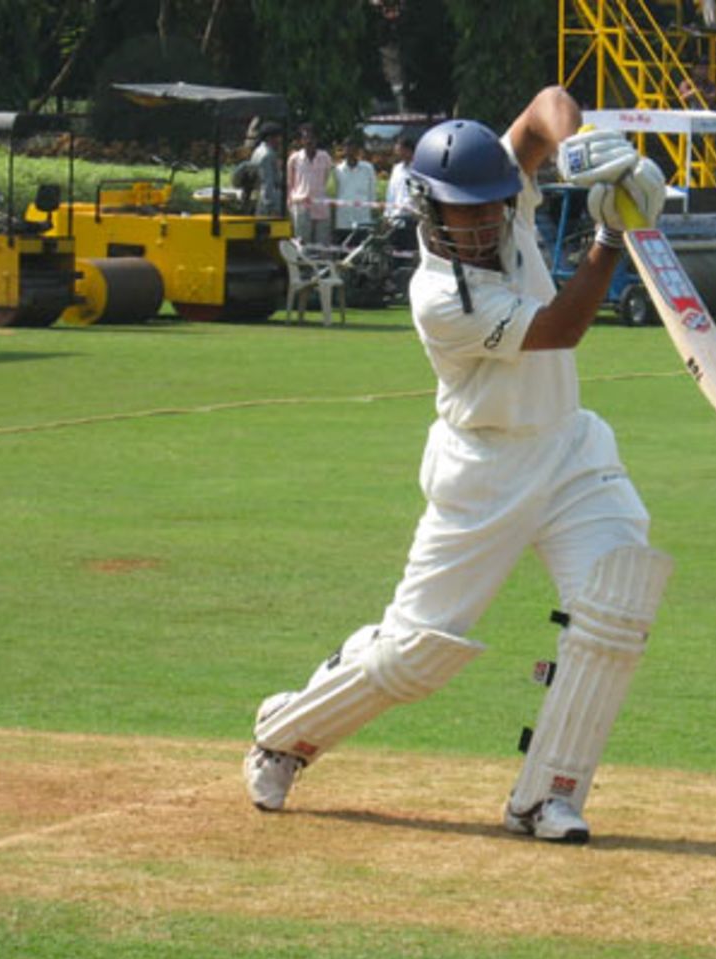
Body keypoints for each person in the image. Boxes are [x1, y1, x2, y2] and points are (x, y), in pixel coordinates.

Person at [243, 86, 674, 844]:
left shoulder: (498, 193)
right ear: (429, 210)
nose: (481, 225)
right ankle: (286, 732)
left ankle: (547, 796)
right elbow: (560, 330)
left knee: (619, 600)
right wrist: (612, 235)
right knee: (418, 657)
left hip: (569, 447)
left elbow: (547, 106)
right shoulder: (437, 294)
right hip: (484, 470)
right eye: (464, 213)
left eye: (491, 209)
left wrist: (591, 152)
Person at [286, 122, 334, 245]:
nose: (308, 141)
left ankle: (320, 265)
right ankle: (302, 264)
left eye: (311, 138)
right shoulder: (295, 159)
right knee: (302, 244)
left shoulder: (325, 157)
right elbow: (290, 184)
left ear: (316, 139)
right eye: (305, 138)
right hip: (301, 206)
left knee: (321, 245)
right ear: (301, 140)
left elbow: (326, 178)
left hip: (320, 206)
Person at [332, 136, 378, 245]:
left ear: (358, 150)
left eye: (353, 147)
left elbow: (372, 192)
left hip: (363, 219)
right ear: (343, 149)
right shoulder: (337, 170)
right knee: (343, 254)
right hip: (343, 220)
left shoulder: (368, 168)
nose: (350, 150)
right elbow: (334, 192)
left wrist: (373, 211)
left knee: (361, 254)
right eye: (347, 147)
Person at [249, 121, 283, 217]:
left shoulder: (258, 151)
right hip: (269, 203)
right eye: (278, 137)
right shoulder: (267, 155)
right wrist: (271, 206)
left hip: (260, 198)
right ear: (270, 138)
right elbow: (268, 182)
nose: (280, 140)